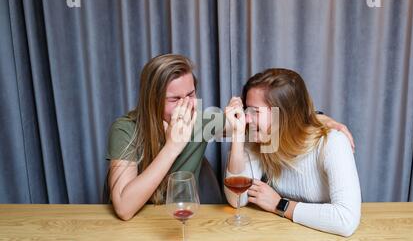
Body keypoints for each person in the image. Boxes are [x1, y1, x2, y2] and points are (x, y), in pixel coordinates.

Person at [106, 54, 354, 221]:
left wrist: (320, 118)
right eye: (174, 99)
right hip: (139, 223)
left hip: (182, 219)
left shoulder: (201, 121)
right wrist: (173, 146)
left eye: (191, 94)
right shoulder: (126, 129)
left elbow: (265, 119)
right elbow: (125, 209)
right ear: (152, 99)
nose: (187, 105)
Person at [225, 68, 361, 237]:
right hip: (282, 237)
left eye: (255, 112)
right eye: (247, 110)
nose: (247, 118)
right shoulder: (259, 138)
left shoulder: (332, 143)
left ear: (284, 115)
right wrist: (237, 137)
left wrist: (280, 205)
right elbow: (238, 199)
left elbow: (346, 220)